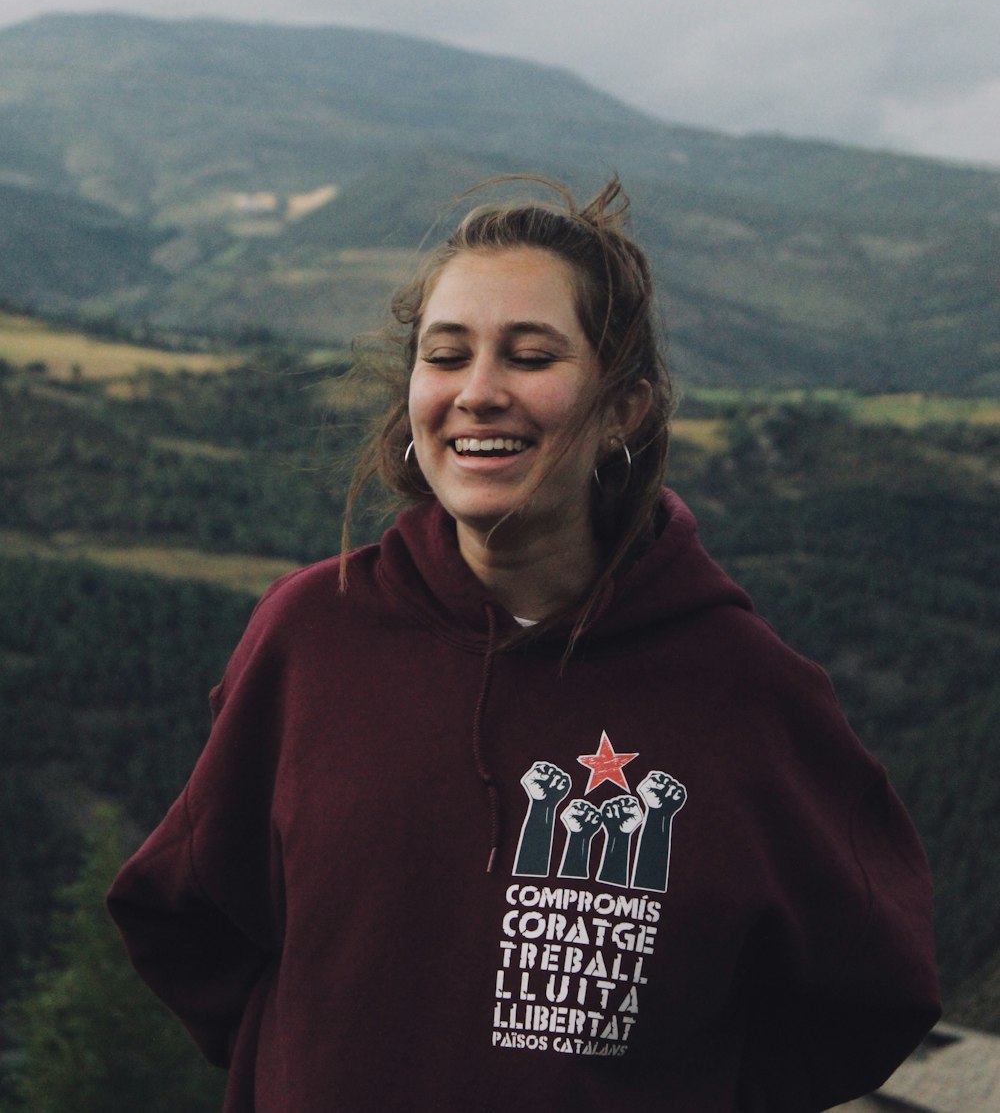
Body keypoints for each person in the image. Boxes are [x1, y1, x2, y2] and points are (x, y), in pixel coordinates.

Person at [108, 177, 940, 1111]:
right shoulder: (311, 636)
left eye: (531, 355)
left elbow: (871, 989)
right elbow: (188, 915)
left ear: (623, 406)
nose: (478, 393)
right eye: (446, 355)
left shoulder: (742, 691)